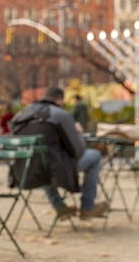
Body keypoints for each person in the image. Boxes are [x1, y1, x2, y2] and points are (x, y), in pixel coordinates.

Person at [9, 86, 107, 220]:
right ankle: (87, 207)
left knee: (41, 160)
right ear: (60, 101)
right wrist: (78, 132)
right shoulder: (60, 115)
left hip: (23, 171)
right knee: (94, 155)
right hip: (54, 170)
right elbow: (78, 151)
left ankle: (60, 207)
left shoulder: (21, 114)